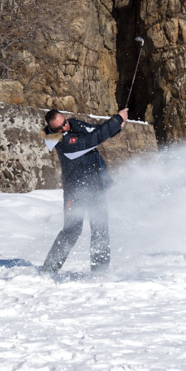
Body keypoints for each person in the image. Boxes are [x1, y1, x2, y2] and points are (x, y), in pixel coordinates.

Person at [40, 106, 127, 274]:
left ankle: (99, 271)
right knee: (72, 230)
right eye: (58, 128)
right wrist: (116, 119)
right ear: (52, 129)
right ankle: (49, 270)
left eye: (64, 123)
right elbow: (91, 140)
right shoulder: (61, 142)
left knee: (100, 228)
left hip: (96, 187)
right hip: (76, 193)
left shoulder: (74, 124)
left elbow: (97, 131)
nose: (64, 128)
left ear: (65, 118)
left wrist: (116, 127)